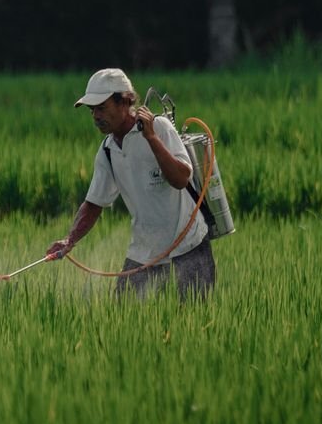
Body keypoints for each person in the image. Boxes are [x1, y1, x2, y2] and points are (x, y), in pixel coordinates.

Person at [45, 68, 216, 300]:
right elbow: (94, 203)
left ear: (125, 102)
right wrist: (70, 240)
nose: (95, 116)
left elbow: (181, 179)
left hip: (189, 247)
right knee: (124, 316)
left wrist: (151, 138)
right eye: (92, 110)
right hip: (144, 252)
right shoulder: (108, 150)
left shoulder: (161, 128)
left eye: (101, 108)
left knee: (194, 322)